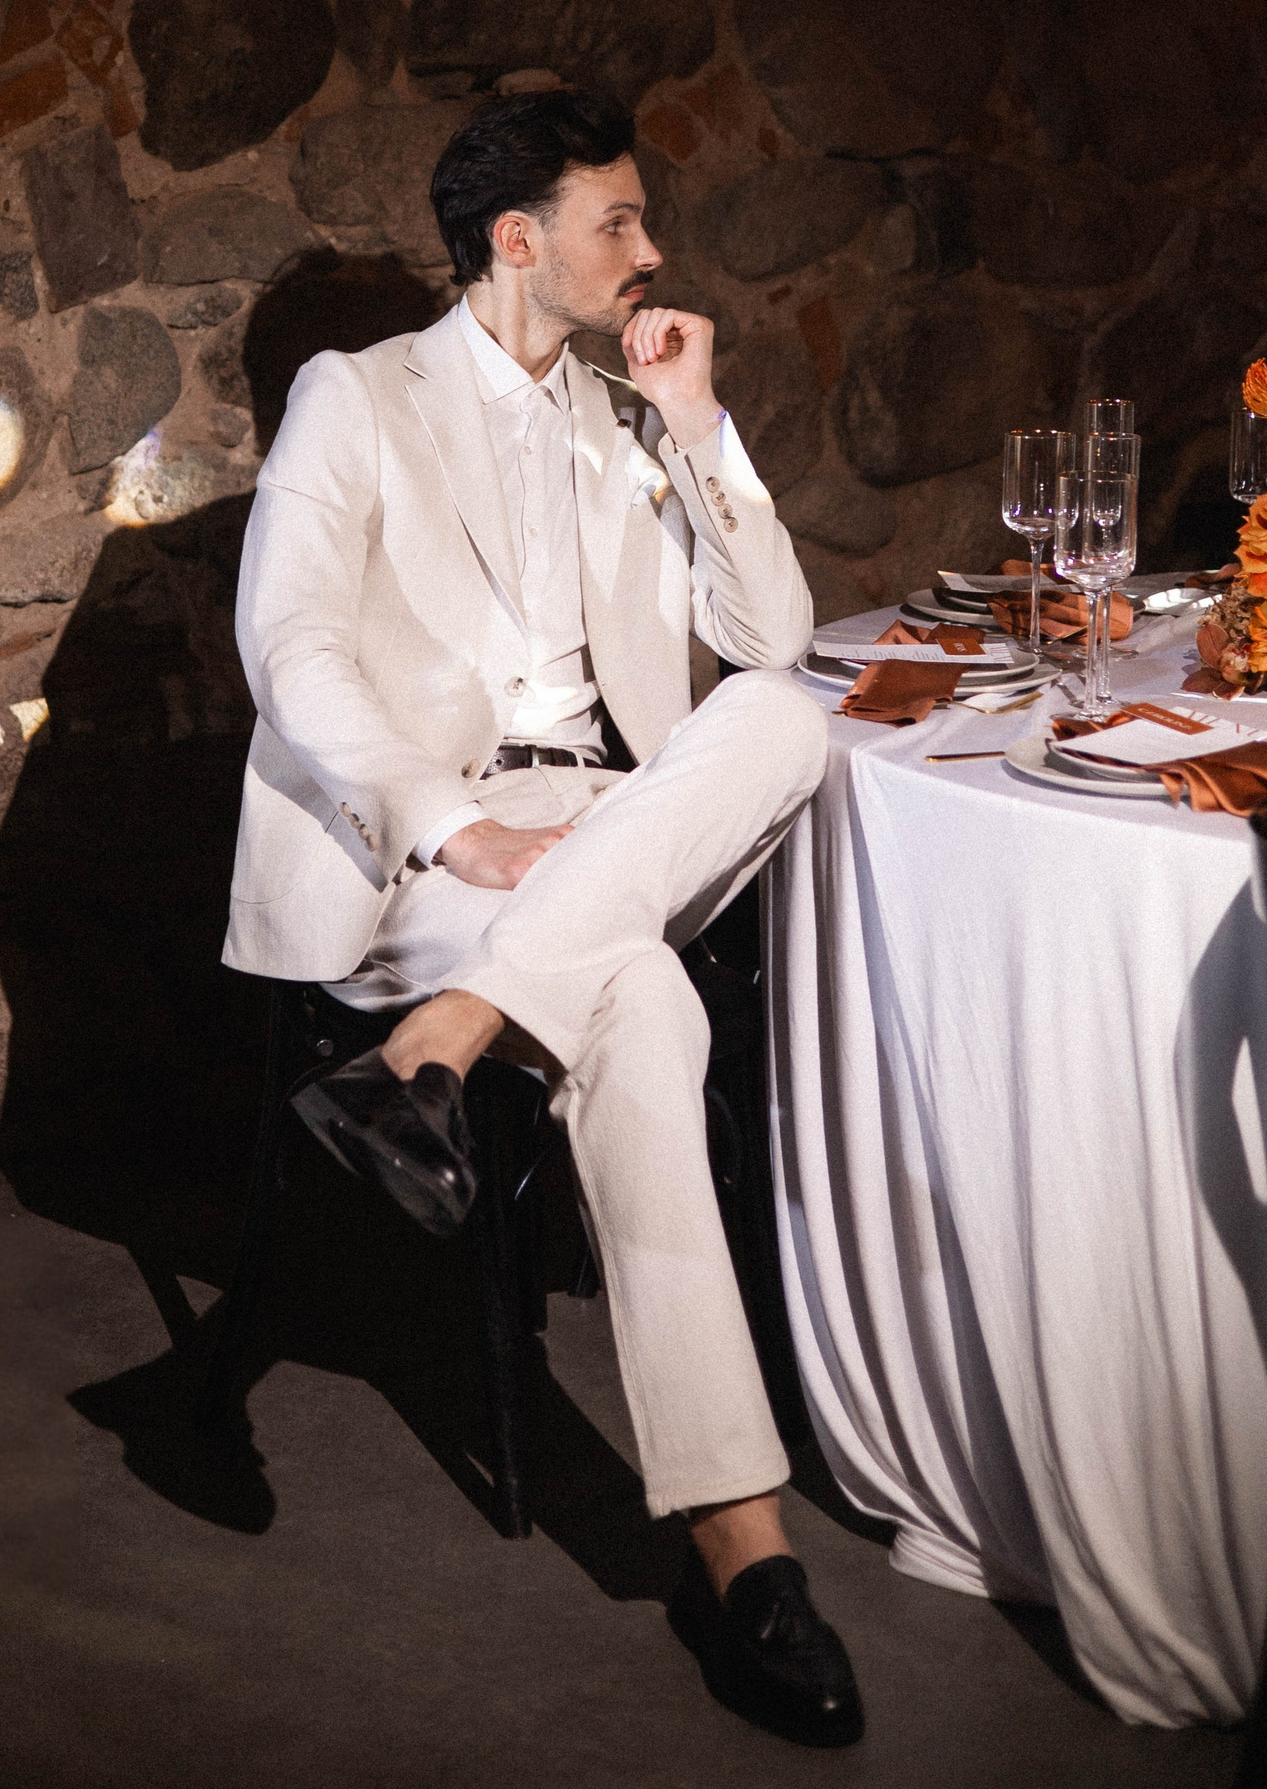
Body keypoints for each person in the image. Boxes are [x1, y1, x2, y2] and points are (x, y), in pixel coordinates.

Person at [224, 86, 858, 1746]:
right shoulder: (354, 397)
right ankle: (746, 1554)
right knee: (639, 999)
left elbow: (773, 637)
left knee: (782, 718)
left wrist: (702, 420)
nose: (649, 249)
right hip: (431, 840)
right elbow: (291, 650)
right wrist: (452, 825)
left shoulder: (634, 414)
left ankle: (441, 1043)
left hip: (608, 822)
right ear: (520, 240)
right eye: (617, 221)